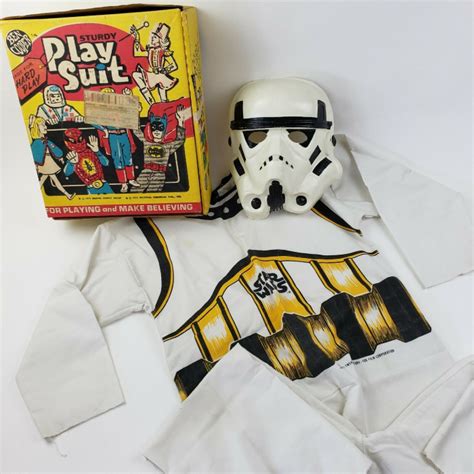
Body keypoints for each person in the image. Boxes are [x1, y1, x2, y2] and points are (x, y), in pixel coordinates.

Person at [29, 115, 75, 200]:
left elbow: (54, 148)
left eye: (45, 125)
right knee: (53, 179)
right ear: (37, 127)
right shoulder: (37, 142)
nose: (46, 127)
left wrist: (60, 156)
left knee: (44, 180)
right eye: (43, 125)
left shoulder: (46, 140)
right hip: (44, 164)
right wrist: (36, 164)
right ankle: (67, 195)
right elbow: (34, 154)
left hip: (48, 162)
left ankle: (67, 195)